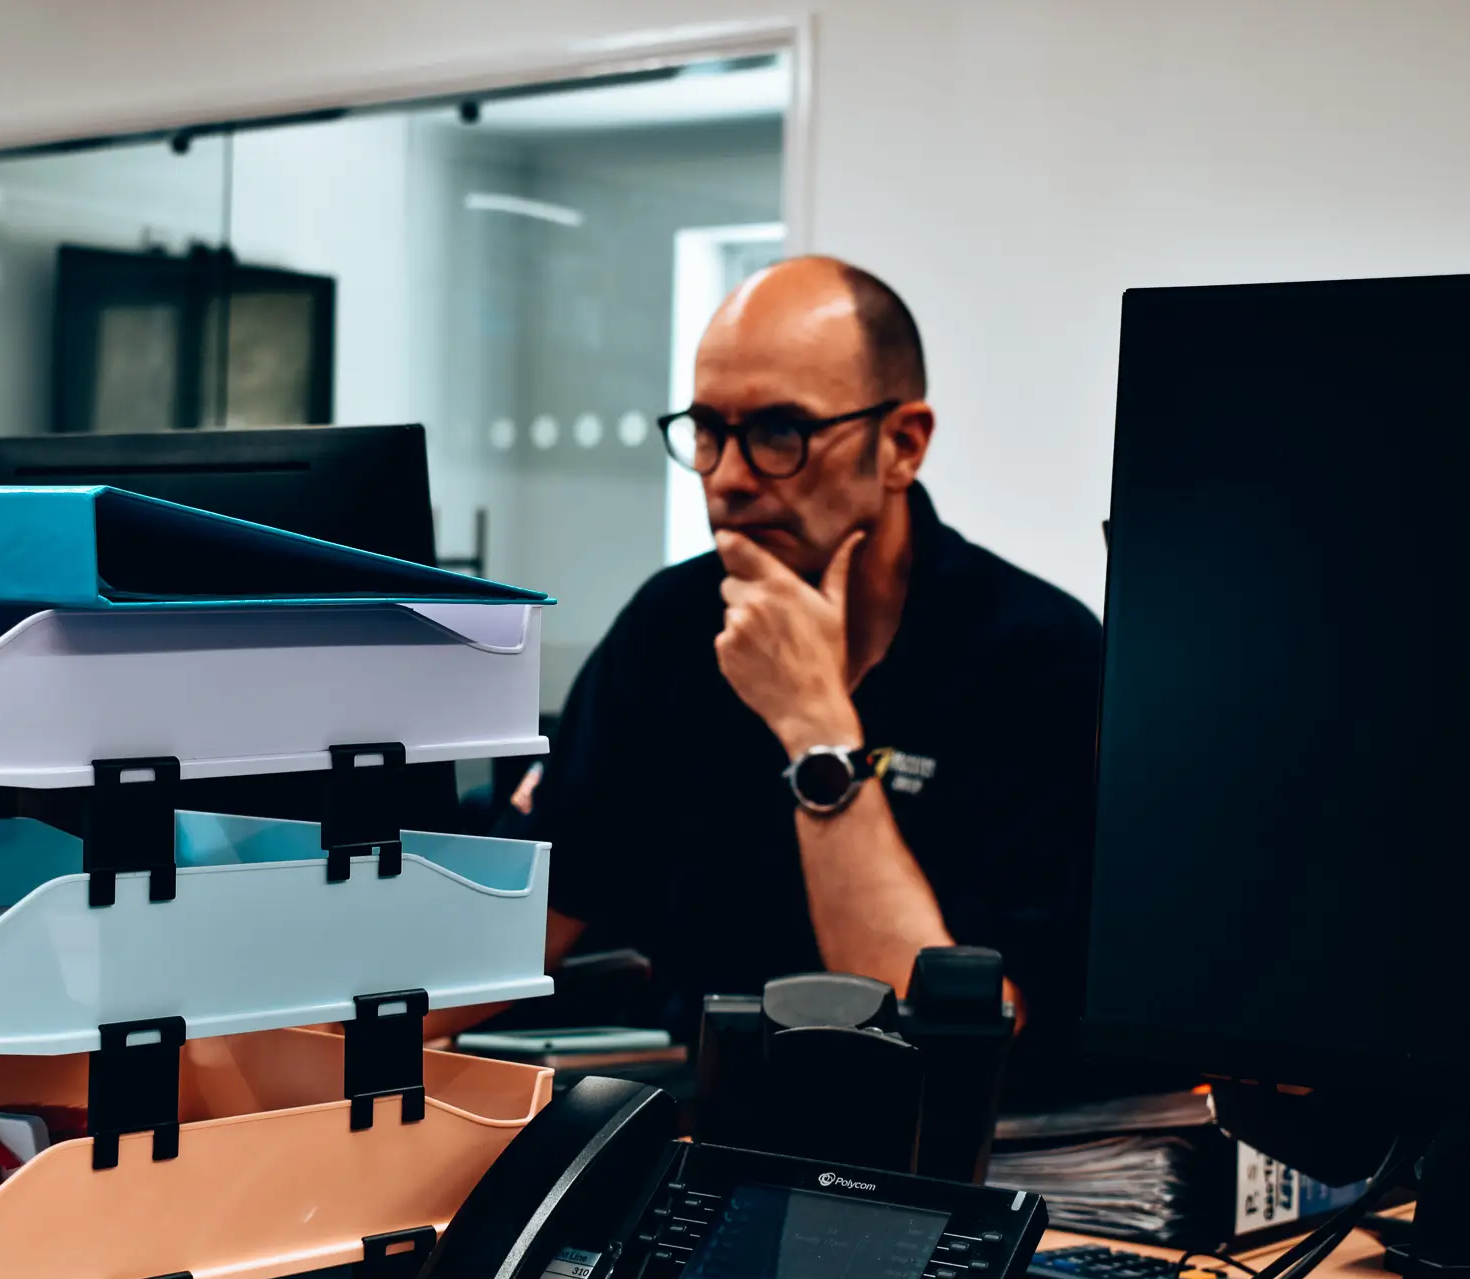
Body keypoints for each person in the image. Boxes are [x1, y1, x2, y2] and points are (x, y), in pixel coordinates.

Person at [460, 256, 1103, 1098]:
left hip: (969, 1160)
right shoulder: (672, 623)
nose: (726, 475)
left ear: (901, 445)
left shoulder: (1038, 656)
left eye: (778, 433)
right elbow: (523, 925)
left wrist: (815, 726)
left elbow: (952, 1047)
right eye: (706, 430)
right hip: (715, 1132)